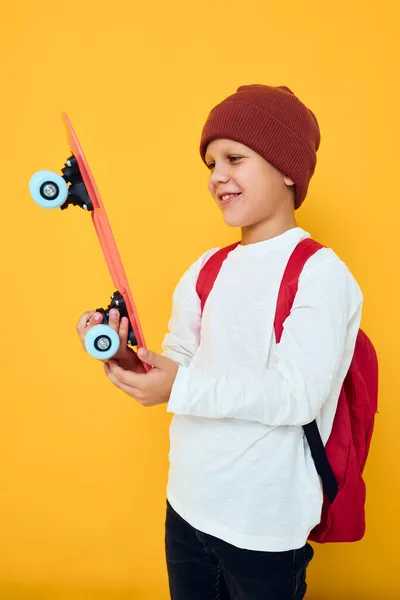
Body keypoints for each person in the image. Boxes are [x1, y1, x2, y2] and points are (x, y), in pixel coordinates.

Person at [76, 84, 363, 599]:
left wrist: (180, 386)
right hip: (186, 506)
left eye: (234, 157)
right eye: (210, 163)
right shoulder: (204, 270)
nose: (217, 176)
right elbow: (180, 363)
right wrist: (126, 354)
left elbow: (295, 394)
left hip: (263, 525)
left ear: (287, 168)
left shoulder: (321, 273)